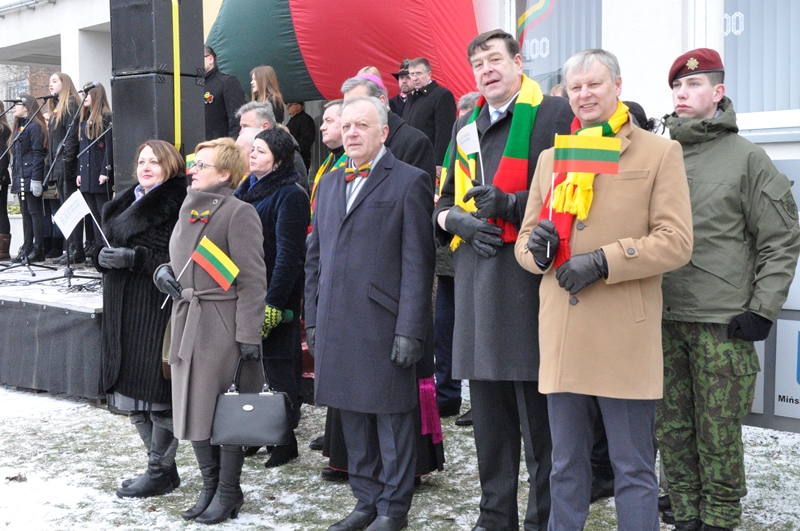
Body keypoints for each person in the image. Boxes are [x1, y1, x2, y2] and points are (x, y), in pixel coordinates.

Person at [514, 48, 694, 530]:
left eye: (594, 84)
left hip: (623, 336)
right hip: (564, 333)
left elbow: (676, 242)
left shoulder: (659, 152)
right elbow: (525, 243)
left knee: (632, 468)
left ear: (617, 85)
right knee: (565, 467)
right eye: (575, 87)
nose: (584, 94)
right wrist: (541, 253)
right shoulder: (552, 158)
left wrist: (604, 261)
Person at [433, 29, 573, 531]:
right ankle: (494, 517)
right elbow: (443, 200)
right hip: (476, 285)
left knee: (540, 427)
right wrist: (457, 221)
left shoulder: (554, 114)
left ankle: (542, 520)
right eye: (478, 64)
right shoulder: (465, 123)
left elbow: (575, 192)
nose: (487, 69)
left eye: (495, 59)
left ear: (518, 63)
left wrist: (513, 205)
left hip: (529, 285)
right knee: (490, 425)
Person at [656, 48, 800, 531]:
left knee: (717, 431)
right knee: (671, 427)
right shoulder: (660, 154)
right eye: (677, 86)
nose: (682, 93)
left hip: (721, 322)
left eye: (694, 85)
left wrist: (762, 308)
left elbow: (781, 239)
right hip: (662, 317)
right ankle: (684, 511)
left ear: (718, 93)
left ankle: (718, 517)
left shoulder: (747, 158)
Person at [305, 96, 434, 531]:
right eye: (347, 126)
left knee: (391, 420)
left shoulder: (410, 181)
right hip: (336, 323)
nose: (352, 133)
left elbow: (418, 263)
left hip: (383, 323)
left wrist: (411, 328)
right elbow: (314, 258)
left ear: (383, 132)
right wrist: (312, 318)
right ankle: (365, 500)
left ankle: (393, 509)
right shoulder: (328, 183)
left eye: (362, 125)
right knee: (352, 417)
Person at [154, 137, 267, 524]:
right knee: (193, 408)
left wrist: (248, 335)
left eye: (203, 165)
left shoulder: (239, 212)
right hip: (188, 321)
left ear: (225, 174)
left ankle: (228, 490)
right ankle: (210, 485)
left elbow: (252, 281)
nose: (193, 170)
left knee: (224, 412)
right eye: (194, 163)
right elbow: (179, 262)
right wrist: (163, 273)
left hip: (222, 326)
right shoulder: (188, 207)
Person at [94, 139, 188, 499]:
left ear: (171, 166)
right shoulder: (122, 201)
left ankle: (158, 471)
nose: (145, 167)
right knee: (131, 392)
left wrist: (135, 259)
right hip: (120, 309)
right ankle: (163, 470)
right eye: (142, 161)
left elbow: (180, 260)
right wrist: (100, 258)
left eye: (154, 162)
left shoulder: (178, 202)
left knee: (156, 393)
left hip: (153, 310)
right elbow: (102, 244)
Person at [234, 127, 310, 468]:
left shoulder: (290, 195)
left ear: (278, 160)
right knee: (250, 368)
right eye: (252, 149)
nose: (252, 155)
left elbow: (289, 256)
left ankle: (284, 439)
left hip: (275, 295)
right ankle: (255, 432)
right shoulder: (244, 190)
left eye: (261, 151)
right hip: (244, 292)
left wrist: (274, 304)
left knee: (278, 368)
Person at [435, 91, 480, 427]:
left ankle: (477, 398)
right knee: (446, 326)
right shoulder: (457, 140)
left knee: (474, 326)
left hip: (473, 245)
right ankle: (448, 393)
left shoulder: (474, 140)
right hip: (450, 248)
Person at [341, 73, 436, 189]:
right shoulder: (353, 140)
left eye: (357, 104)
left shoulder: (415, 143)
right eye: (346, 106)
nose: (350, 111)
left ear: (381, 101)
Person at [47, 72, 82, 263]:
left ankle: (76, 249)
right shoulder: (57, 106)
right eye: (49, 82)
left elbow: (71, 137)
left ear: (64, 83)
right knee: (64, 207)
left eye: (54, 81)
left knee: (70, 207)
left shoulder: (70, 104)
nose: (50, 85)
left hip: (67, 165)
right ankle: (70, 248)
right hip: (58, 165)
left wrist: (66, 163)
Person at [9, 95, 48, 263]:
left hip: (31, 174)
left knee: (34, 212)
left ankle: (39, 248)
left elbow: (39, 153)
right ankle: (27, 246)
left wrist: (36, 179)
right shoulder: (20, 127)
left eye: (17, 104)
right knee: (25, 212)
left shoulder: (34, 127)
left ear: (26, 106)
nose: (14, 107)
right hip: (20, 175)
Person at [404, 57, 457, 179]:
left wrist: (440, 162)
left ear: (429, 74)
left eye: (419, 73)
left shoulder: (442, 95)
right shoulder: (412, 97)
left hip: (430, 161)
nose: (415, 78)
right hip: (412, 158)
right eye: (412, 74)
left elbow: (445, 131)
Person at [76, 81, 113, 256]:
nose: (84, 97)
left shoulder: (106, 117)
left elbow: (109, 147)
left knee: (102, 212)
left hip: (99, 171)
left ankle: (105, 248)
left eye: (88, 94)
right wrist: (79, 172)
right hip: (87, 172)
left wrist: (105, 171)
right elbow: (82, 148)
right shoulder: (84, 119)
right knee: (92, 213)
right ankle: (98, 248)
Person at [236, 101, 308, 188]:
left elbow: (295, 190)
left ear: (265, 127)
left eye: (246, 126)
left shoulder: (289, 154)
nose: (240, 132)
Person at [203, 45, 246, 140]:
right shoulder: (194, 86)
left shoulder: (227, 82)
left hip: (221, 144)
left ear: (210, 59)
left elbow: (237, 118)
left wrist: (232, 144)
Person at [286, 101, 315, 172]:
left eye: (290, 105)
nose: (288, 108)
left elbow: (307, 140)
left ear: (298, 106)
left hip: (301, 157)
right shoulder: (293, 119)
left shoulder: (306, 120)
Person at [0, 101, 13, 260]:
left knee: (1, 211)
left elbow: (3, 157)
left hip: (1, 176)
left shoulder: (3, 130)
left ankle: (2, 250)